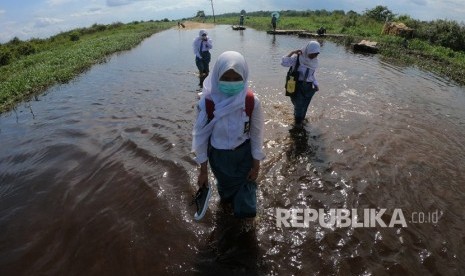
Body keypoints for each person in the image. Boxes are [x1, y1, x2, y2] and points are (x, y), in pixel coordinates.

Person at [192, 51, 265, 219]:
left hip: (244, 157)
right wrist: (203, 171)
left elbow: (256, 135)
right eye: (226, 78)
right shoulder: (207, 103)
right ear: (217, 76)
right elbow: (201, 139)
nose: (231, 83)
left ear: (244, 77)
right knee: (225, 195)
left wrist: (256, 165)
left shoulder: (251, 102)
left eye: (236, 78)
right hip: (219, 159)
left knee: (247, 206)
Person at [281, 40, 321, 127]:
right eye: (313, 53)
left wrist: (316, 84)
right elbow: (283, 63)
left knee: (305, 105)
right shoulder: (298, 58)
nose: (314, 56)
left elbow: (312, 75)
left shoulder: (314, 61)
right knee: (298, 106)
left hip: (308, 87)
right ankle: (298, 123)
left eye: (316, 54)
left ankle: (300, 120)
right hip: (296, 85)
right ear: (308, 50)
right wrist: (292, 52)